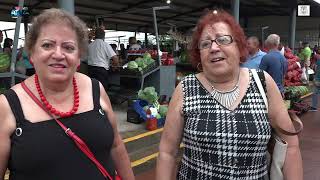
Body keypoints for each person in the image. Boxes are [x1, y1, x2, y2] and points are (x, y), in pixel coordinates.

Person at [156, 10, 302, 180]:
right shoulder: (186, 88)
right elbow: (167, 153)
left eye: (223, 40)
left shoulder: (263, 82)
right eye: (205, 44)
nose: (214, 48)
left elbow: (291, 147)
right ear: (199, 54)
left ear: (238, 46)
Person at [0, 8, 134, 180]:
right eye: (47, 45)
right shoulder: (8, 105)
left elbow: (116, 146)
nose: (58, 54)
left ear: (78, 58)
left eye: (68, 47)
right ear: (32, 53)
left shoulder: (96, 89)